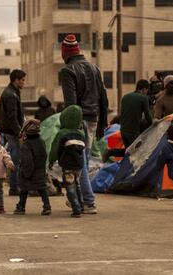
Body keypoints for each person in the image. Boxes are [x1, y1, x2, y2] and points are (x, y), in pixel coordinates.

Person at [60, 34, 109, 214]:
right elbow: (103, 98)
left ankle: (88, 201)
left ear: (65, 53)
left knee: (79, 161)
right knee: (84, 159)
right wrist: (103, 124)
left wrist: (68, 127)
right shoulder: (94, 68)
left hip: (79, 120)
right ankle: (81, 198)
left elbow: (71, 104)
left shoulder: (68, 71)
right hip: (94, 118)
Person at [49, 105, 85, 218]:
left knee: (70, 187)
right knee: (78, 185)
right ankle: (81, 205)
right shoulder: (81, 134)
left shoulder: (62, 133)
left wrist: (51, 160)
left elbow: (55, 149)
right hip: (79, 166)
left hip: (68, 166)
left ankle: (76, 209)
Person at [103, 79, 153, 160]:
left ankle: (110, 152)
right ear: (144, 89)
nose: (146, 92)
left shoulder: (125, 97)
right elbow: (149, 118)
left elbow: (122, 115)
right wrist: (153, 127)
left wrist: (111, 122)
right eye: (147, 90)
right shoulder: (143, 98)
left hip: (123, 130)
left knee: (129, 152)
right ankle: (111, 152)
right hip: (133, 132)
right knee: (136, 154)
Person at [0, 69, 25, 196]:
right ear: (16, 80)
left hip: (10, 131)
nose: (24, 83)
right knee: (15, 160)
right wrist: (20, 133)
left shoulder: (12, 92)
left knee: (14, 158)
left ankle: (15, 185)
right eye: (22, 80)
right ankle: (14, 187)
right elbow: (12, 117)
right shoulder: (11, 95)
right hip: (12, 132)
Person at [13, 119, 51, 215]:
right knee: (42, 189)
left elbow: (27, 161)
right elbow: (44, 155)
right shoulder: (41, 141)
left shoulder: (26, 144)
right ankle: (47, 206)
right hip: (40, 171)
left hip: (29, 173)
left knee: (24, 189)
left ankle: (21, 207)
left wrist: (26, 173)